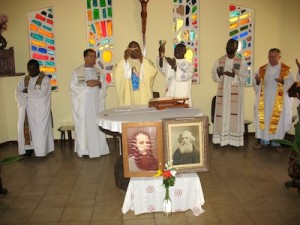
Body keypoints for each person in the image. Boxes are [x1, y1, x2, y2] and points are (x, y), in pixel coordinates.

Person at [70, 49, 109, 158]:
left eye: (94, 57)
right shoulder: (77, 72)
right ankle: (85, 150)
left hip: (96, 104)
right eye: (90, 56)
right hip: (84, 105)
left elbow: (104, 85)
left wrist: (99, 84)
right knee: (86, 126)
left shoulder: (98, 71)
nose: (93, 59)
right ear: (85, 57)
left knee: (96, 125)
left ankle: (100, 149)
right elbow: (73, 88)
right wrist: (87, 84)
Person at [211, 39, 250, 147]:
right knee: (222, 114)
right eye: (228, 44)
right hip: (223, 93)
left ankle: (234, 141)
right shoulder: (219, 61)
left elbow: (245, 77)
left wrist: (234, 76)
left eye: (231, 45)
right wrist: (219, 74)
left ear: (236, 48)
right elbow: (214, 76)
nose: (229, 47)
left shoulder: (241, 62)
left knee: (233, 116)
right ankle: (221, 140)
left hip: (235, 94)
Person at [253, 48, 294, 150]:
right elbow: (257, 87)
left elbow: (292, 85)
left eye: (274, 57)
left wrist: (283, 82)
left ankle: (277, 143)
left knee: (278, 122)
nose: (271, 59)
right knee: (264, 121)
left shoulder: (286, 70)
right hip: (265, 101)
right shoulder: (261, 69)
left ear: (279, 57)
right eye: (269, 57)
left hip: (279, 103)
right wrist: (258, 82)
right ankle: (263, 142)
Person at [15, 59, 54, 157]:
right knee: (25, 128)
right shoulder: (24, 79)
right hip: (26, 110)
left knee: (39, 130)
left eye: (33, 70)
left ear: (38, 68)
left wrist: (27, 92)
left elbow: (42, 93)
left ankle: (41, 150)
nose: (31, 72)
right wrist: (28, 94)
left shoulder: (45, 79)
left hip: (39, 111)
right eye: (29, 70)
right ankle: (28, 148)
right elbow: (17, 93)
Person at [113, 41, 158, 106]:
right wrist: (125, 58)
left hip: (142, 97)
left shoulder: (146, 62)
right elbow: (117, 74)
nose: (134, 51)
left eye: (136, 49)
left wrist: (141, 58)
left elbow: (153, 71)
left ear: (140, 50)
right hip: (128, 97)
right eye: (132, 49)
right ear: (128, 50)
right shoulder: (123, 62)